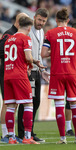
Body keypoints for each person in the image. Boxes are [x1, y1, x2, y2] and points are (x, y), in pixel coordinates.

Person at [41, 8, 76, 144]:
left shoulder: (50, 33)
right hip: (72, 73)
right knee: (75, 105)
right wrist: (71, 53)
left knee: (59, 106)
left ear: (56, 20)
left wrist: (56, 53)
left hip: (57, 73)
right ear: (68, 20)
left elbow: (43, 54)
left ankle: (63, 138)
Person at [4, 16, 39, 144]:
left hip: (7, 75)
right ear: (29, 27)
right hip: (19, 75)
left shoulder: (8, 40)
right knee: (29, 104)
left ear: (18, 25)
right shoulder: (25, 38)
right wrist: (30, 66)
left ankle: (11, 137)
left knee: (11, 107)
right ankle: (27, 137)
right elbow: (28, 57)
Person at [17, 8, 49, 142]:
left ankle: (29, 131)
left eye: (44, 21)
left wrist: (42, 71)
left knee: (35, 102)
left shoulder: (41, 32)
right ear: (35, 17)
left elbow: (38, 54)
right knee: (26, 102)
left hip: (36, 71)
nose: (41, 23)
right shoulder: (27, 31)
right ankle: (22, 133)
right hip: (27, 71)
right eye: (39, 19)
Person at [0, 12, 29, 143]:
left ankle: (11, 136)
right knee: (13, 103)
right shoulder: (9, 34)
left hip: (8, 73)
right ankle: (7, 134)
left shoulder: (10, 38)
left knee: (11, 104)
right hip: (13, 71)